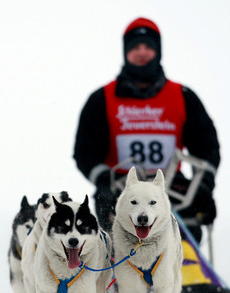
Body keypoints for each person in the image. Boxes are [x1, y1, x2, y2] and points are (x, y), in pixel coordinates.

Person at [73, 17, 220, 241]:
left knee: (180, 261)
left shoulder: (183, 97)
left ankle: (188, 271)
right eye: (135, 47)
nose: (142, 52)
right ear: (125, 52)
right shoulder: (101, 99)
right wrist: (104, 182)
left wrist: (204, 186)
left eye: (148, 46)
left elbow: (207, 147)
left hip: (174, 194)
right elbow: (85, 152)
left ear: (157, 51)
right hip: (120, 193)